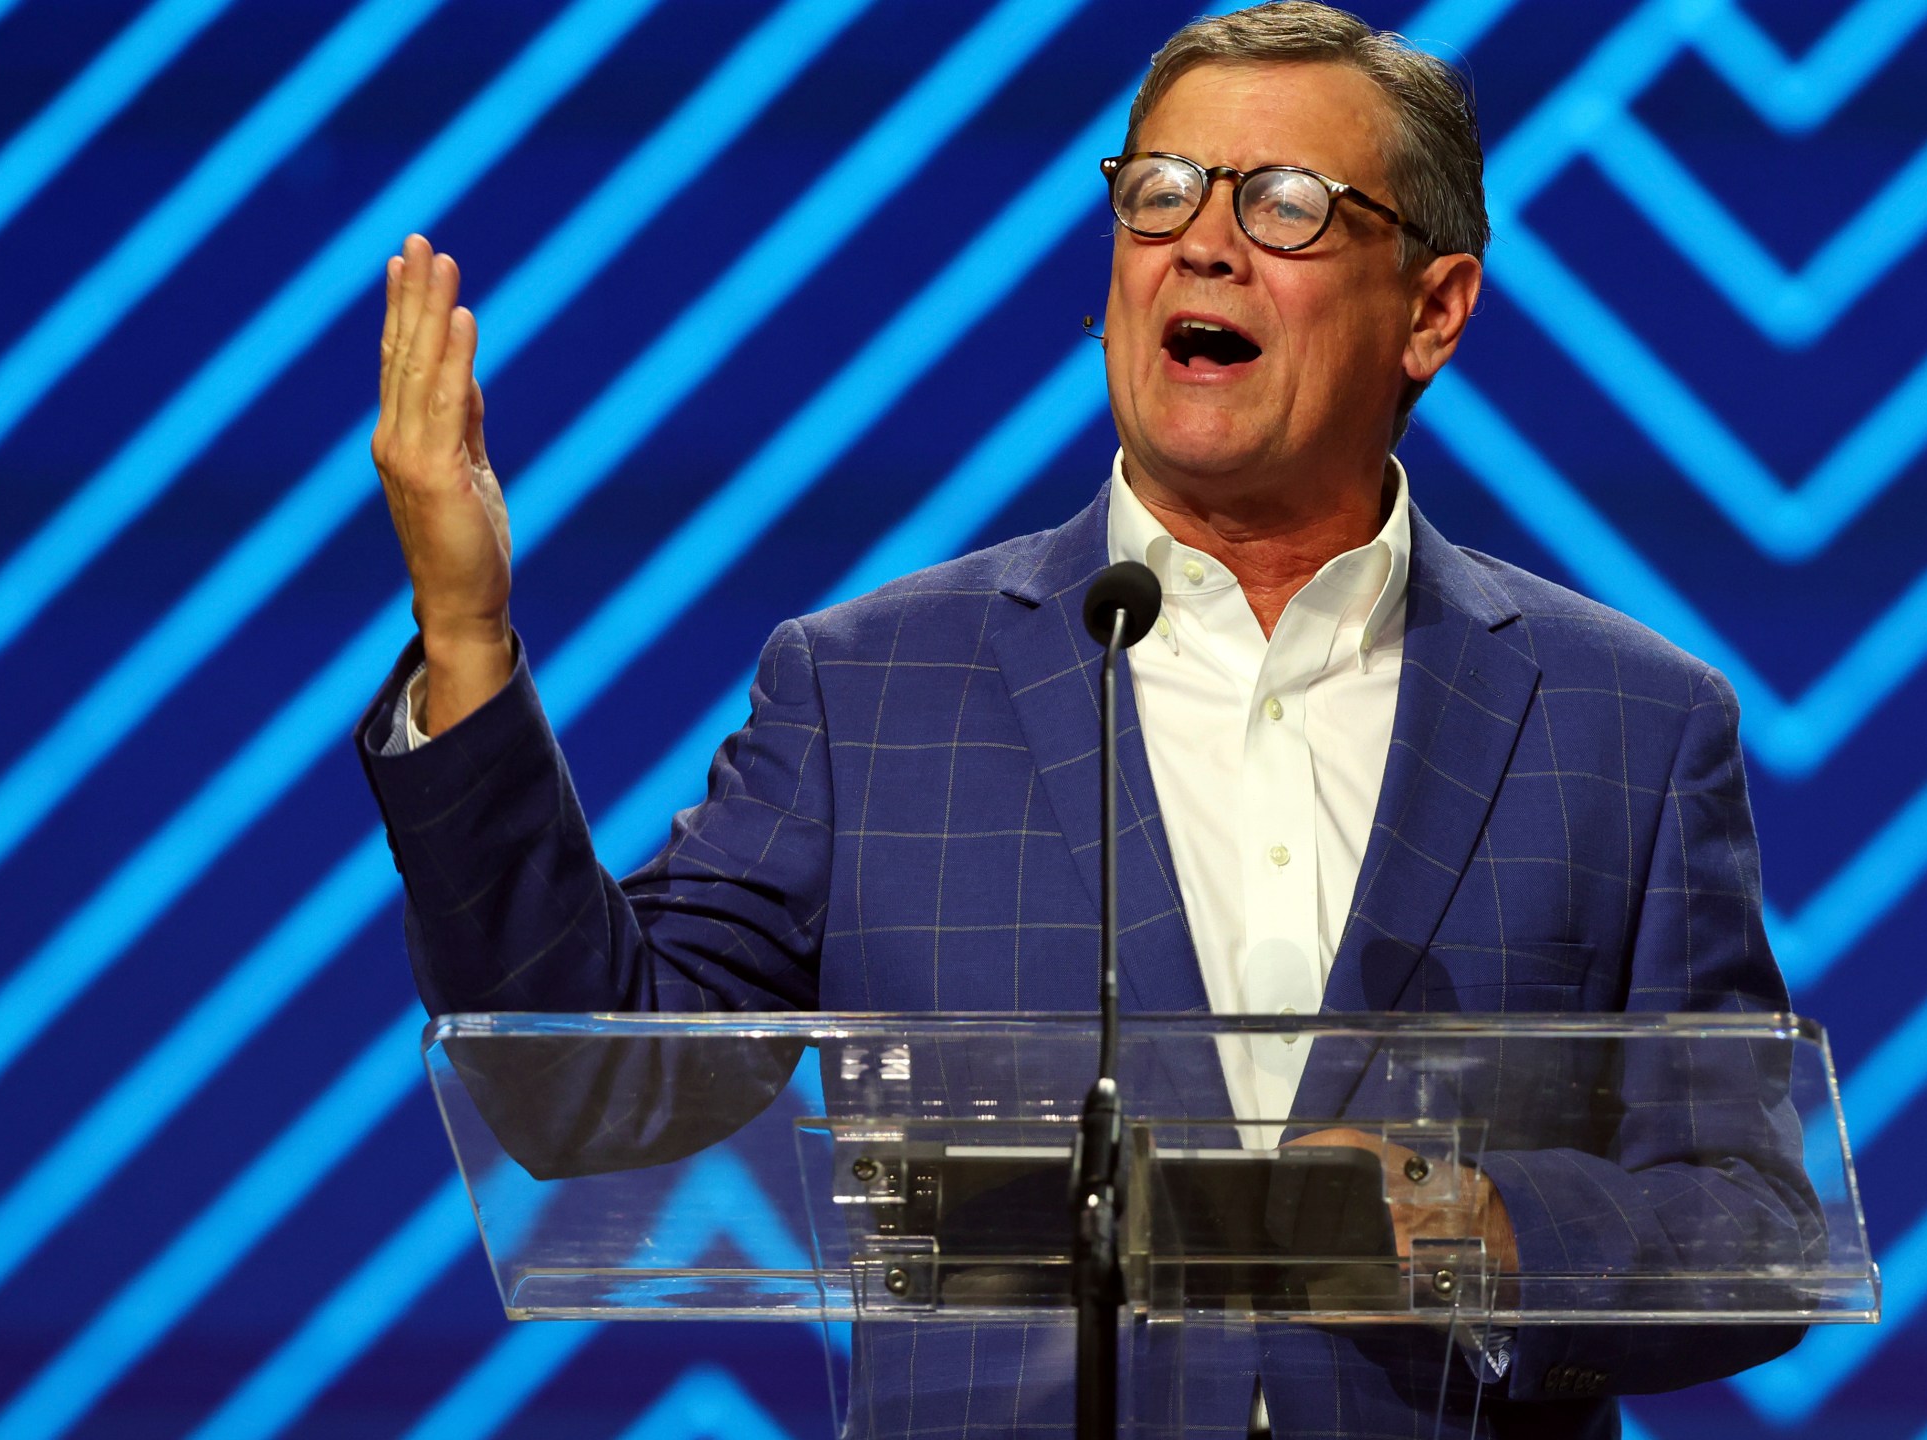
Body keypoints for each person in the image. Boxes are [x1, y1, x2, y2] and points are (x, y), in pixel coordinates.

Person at [356, 4, 1814, 1434]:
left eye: (1286, 204)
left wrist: (1479, 1232)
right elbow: (578, 1079)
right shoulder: (871, 692)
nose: (1203, 242)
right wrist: (467, 637)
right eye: (1161, 191)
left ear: (1431, 311)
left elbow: (1751, 1225)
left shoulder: (1627, 721)